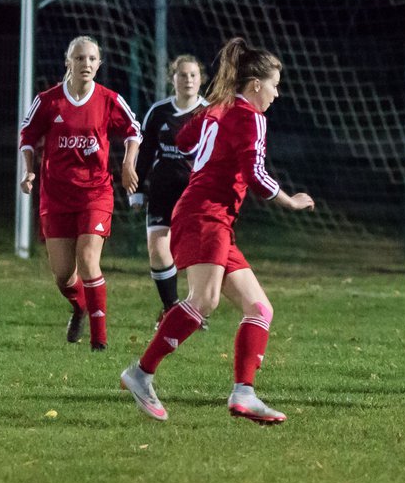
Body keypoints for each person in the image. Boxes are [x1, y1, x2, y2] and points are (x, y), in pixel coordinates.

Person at [119, 37, 315, 424]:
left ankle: (244, 393)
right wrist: (290, 200)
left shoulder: (219, 108)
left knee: (259, 308)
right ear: (256, 84)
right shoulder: (251, 117)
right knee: (203, 300)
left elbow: (184, 139)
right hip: (205, 215)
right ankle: (141, 373)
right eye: (274, 85)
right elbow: (256, 174)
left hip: (211, 215)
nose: (277, 94)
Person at [19, 35, 141, 351]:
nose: (85, 64)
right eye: (79, 58)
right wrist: (29, 169)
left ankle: (99, 341)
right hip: (56, 195)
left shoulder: (109, 99)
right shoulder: (48, 101)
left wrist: (128, 164)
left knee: (88, 258)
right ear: (68, 62)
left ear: (98, 64)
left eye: (91, 59)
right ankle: (79, 307)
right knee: (63, 275)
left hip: (95, 192)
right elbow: (28, 135)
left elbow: (133, 130)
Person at [130, 55, 208, 317]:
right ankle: (172, 308)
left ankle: (195, 309)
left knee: (196, 255)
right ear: (172, 78)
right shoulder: (159, 111)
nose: (188, 80)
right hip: (162, 190)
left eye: (193, 75)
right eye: (182, 74)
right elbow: (145, 152)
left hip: (196, 195)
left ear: (201, 80)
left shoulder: (209, 113)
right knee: (158, 249)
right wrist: (137, 190)